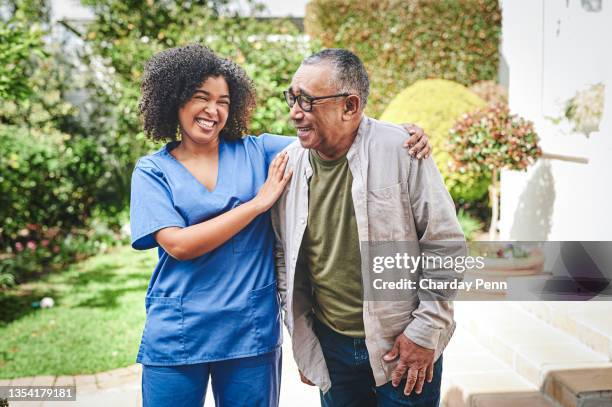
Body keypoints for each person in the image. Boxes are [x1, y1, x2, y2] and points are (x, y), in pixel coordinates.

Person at [129, 44, 433, 407]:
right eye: (201, 97)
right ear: (174, 99)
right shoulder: (152, 171)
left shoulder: (260, 152)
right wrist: (257, 204)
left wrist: (398, 134)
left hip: (249, 334)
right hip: (178, 334)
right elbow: (177, 245)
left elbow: (337, 132)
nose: (213, 110)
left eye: (223, 101)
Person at [271, 48, 466, 407]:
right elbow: (285, 255)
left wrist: (425, 332)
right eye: (293, 97)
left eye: (308, 101)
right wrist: (305, 342)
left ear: (350, 106)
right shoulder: (288, 165)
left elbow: (446, 244)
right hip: (331, 347)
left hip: (404, 343)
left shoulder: (402, 149)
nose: (294, 112)